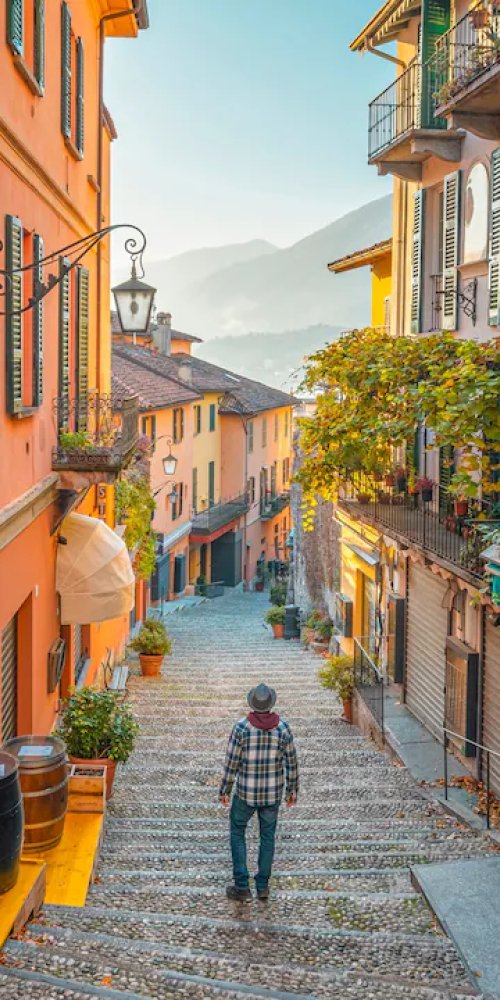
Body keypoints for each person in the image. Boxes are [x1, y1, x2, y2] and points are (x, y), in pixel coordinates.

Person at [219, 682, 299, 902]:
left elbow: (231, 761)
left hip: (245, 793)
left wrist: (225, 789)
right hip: (272, 794)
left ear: (252, 703)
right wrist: (292, 790)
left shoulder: (242, 728)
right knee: (267, 838)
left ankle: (242, 886)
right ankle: (262, 886)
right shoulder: (283, 728)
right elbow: (292, 762)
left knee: (237, 832)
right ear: (270, 704)